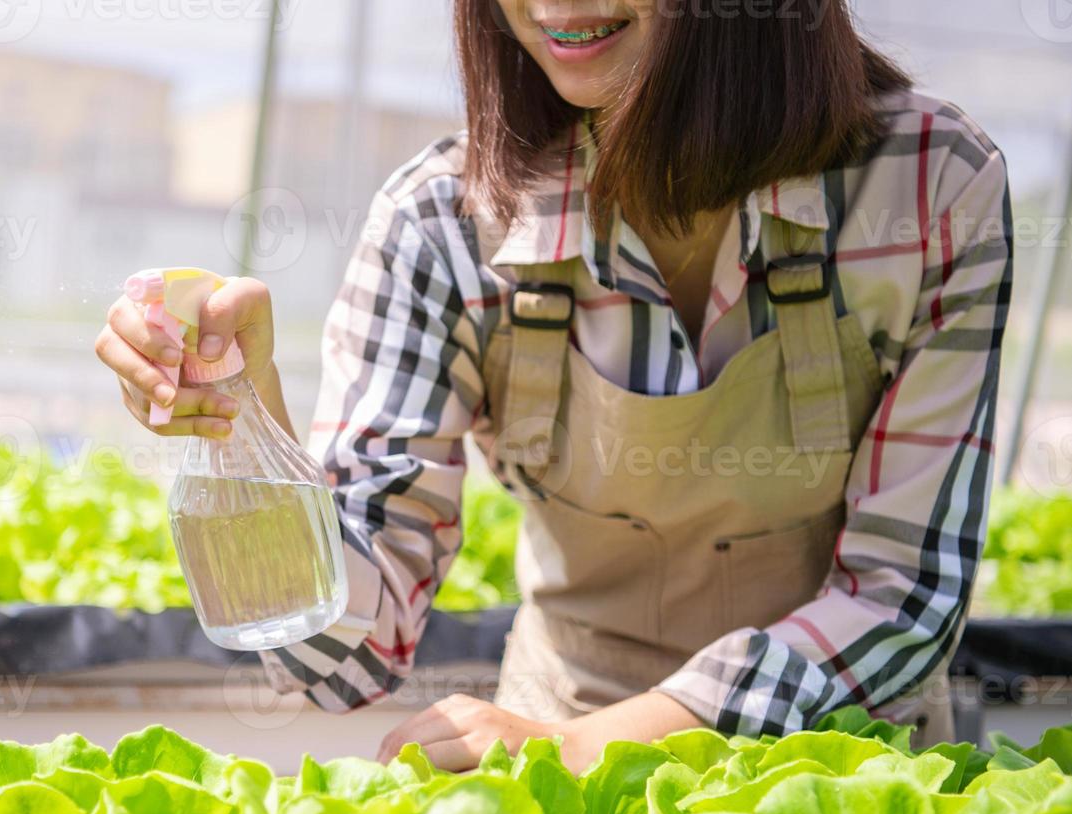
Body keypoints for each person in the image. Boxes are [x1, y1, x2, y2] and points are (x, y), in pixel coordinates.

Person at [96, 1, 1013, 773]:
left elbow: (902, 598)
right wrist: (240, 415)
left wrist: (594, 748)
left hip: (839, 780)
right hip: (547, 766)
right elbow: (350, 660)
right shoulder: (441, 223)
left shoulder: (927, 183)